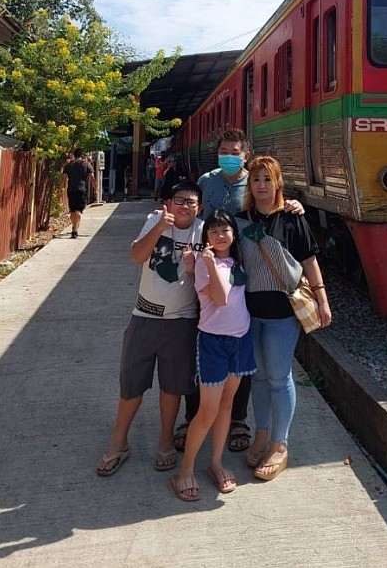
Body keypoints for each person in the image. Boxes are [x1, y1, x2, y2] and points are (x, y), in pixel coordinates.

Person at [174, 128, 305, 456]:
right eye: (224, 150)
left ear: (245, 155)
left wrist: (292, 204)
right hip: (207, 274)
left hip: (242, 281)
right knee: (201, 346)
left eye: (235, 151)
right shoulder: (207, 181)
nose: (229, 156)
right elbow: (193, 217)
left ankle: (239, 420)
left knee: (243, 357)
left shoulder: (255, 183)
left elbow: (272, 207)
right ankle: (192, 416)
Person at [95, 181, 203, 477]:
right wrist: (158, 228)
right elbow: (136, 256)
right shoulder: (155, 220)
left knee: (172, 387)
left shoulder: (204, 231)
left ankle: (165, 442)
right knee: (131, 385)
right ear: (169, 203)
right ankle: (119, 443)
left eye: (191, 202)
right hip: (144, 316)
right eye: (179, 200)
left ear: (200, 208)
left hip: (181, 321)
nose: (184, 207)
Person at [238, 154, 332, 481]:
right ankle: (261, 433)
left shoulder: (292, 218)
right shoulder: (240, 219)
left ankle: (280, 443)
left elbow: (309, 260)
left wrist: (322, 299)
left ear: (278, 182)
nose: (262, 185)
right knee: (260, 377)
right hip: (249, 313)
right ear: (249, 184)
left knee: (279, 377)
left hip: (282, 314)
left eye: (268, 179)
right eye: (256, 179)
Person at [170, 210, 256, 502]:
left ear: (234, 233)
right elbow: (218, 298)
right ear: (206, 237)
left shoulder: (235, 261)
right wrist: (205, 262)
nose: (220, 236)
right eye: (214, 231)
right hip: (213, 342)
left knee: (227, 405)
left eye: (225, 230)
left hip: (240, 340)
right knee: (207, 410)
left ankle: (216, 463)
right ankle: (185, 470)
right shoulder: (204, 264)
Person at [62, 148, 94, 239]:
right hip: (81, 190)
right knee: (78, 211)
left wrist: (61, 189)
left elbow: (63, 178)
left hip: (71, 190)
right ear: (82, 155)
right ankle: (75, 230)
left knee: (72, 210)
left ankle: (74, 227)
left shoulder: (69, 165)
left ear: (74, 155)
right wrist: (95, 188)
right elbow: (92, 177)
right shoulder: (86, 164)